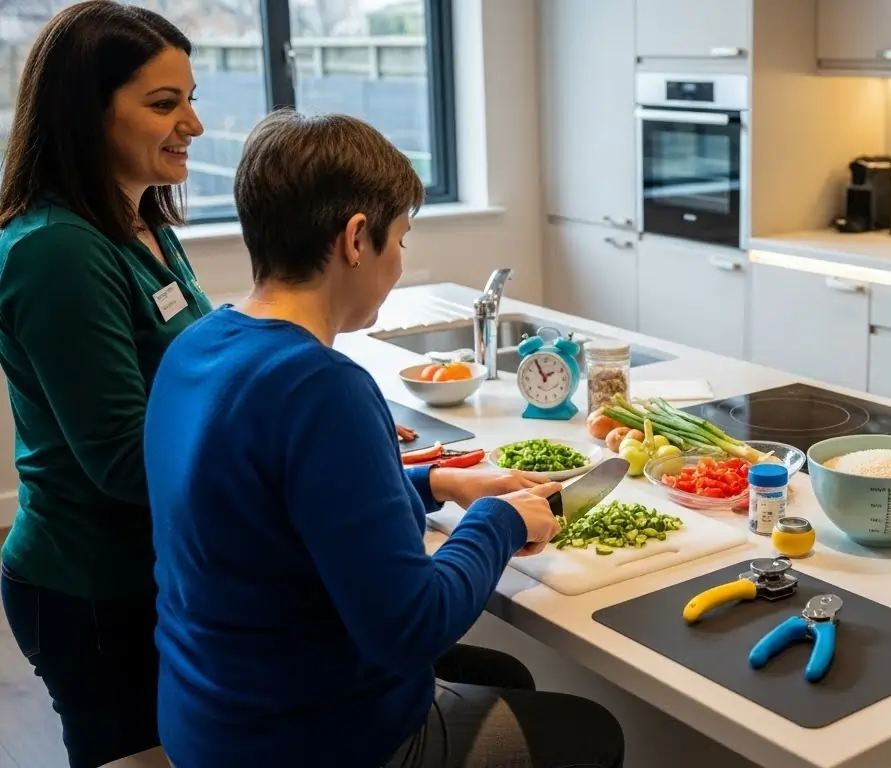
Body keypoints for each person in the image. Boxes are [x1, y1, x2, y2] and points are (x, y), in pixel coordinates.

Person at [143, 108, 626, 768]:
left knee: (506, 676)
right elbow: (410, 628)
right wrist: (496, 521)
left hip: (209, 718)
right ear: (355, 237)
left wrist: (437, 481)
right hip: (302, 744)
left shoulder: (198, 346)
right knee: (592, 731)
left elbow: (271, 507)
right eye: (400, 239)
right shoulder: (319, 385)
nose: (398, 261)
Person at [0, 4, 211, 766]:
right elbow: (123, 462)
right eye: (164, 104)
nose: (191, 123)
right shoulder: (56, 251)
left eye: (191, 99)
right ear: (82, 113)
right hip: (92, 586)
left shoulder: (143, 221)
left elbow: (192, 378)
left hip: (154, 565)